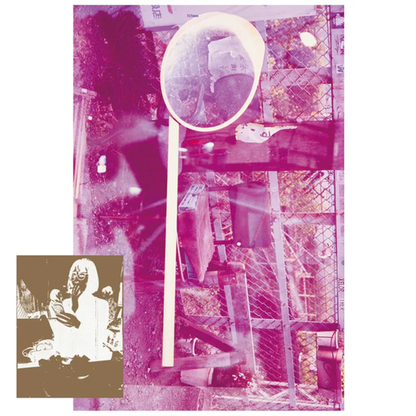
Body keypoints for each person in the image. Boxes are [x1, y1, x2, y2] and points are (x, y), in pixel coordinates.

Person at [52, 258, 112, 361]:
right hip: (67, 358)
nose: (75, 280)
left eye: (81, 276)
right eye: (73, 275)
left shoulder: (101, 304)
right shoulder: (66, 303)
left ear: (91, 279)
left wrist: (77, 324)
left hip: (90, 359)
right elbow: (61, 336)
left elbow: (99, 339)